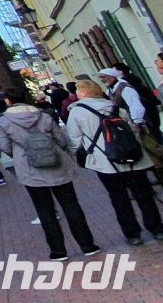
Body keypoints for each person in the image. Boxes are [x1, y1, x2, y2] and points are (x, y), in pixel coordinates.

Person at [0, 90, 100, 260]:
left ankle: (58, 251)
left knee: (44, 210)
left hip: (30, 169)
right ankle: (88, 245)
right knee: (71, 206)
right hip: (56, 164)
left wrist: (21, 155)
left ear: (8, 101)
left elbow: (5, 147)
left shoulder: (4, 121)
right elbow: (60, 139)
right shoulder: (44, 115)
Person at [66, 79, 162, 246]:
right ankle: (157, 228)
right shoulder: (115, 107)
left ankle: (133, 234)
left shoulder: (77, 112)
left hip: (105, 162)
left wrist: (76, 154)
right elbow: (133, 130)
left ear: (84, 93)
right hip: (134, 158)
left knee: (119, 198)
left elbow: (74, 140)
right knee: (144, 194)